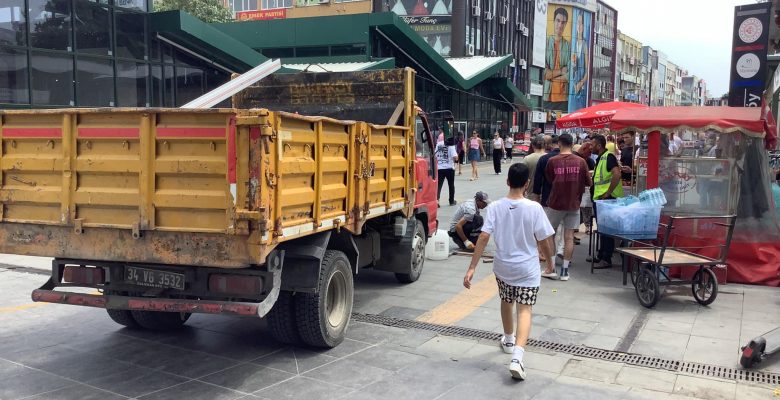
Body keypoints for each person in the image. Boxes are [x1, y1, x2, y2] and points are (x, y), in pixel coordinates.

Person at [463, 163, 555, 381]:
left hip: (503, 267)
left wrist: (472, 267)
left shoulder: (495, 207)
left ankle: (508, 339)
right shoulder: (534, 208)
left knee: (506, 301)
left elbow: (484, 237)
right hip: (527, 268)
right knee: (525, 310)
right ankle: (517, 357)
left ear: (507, 182)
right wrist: (550, 261)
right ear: (527, 184)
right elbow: (543, 240)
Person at [543, 134, 591, 281]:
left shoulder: (552, 161)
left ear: (559, 143)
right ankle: (564, 271)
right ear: (572, 144)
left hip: (556, 203)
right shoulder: (581, 162)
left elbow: (550, 179)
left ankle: (551, 268)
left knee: (550, 234)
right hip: (574, 204)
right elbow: (588, 182)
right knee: (569, 237)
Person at [588, 135, 624, 268]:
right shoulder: (601, 158)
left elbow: (617, 174)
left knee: (606, 229)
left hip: (607, 199)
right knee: (602, 228)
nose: (590, 147)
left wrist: (608, 192)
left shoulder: (608, 156)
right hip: (601, 199)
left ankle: (606, 258)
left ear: (599, 145)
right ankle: (602, 254)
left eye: (592, 145)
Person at [544, 7, 571, 111]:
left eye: (563, 22)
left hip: (563, 99)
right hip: (546, 97)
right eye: (558, 21)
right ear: (553, 21)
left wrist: (552, 76)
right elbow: (545, 74)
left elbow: (570, 75)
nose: (560, 25)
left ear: (566, 24)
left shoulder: (568, 47)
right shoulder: (545, 43)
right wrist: (560, 71)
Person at [569, 10, 590, 111]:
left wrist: (580, 84)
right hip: (573, 86)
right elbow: (571, 67)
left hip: (581, 88)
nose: (579, 25)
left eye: (581, 23)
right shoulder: (573, 42)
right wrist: (574, 84)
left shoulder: (585, 45)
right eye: (578, 22)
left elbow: (587, 71)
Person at [575, 141, 596, 234]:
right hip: (577, 187)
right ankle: (576, 226)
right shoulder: (577, 159)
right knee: (579, 208)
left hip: (585, 187)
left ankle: (587, 226)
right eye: (589, 151)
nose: (590, 154)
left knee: (585, 207)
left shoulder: (589, 160)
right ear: (583, 150)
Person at [436, 136, 458, 207]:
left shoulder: (438, 144)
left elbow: (435, 155)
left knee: (439, 185)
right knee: (451, 185)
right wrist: (456, 162)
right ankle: (451, 201)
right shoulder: (451, 145)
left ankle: (437, 201)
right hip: (449, 168)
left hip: (439, 168)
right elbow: (455, 157)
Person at [522, 135, 546, 200]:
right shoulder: (550, 158)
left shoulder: (528, 158)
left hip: (531, 193)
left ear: (533, 145)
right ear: (545, 145)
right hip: (546, 193)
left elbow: (523, 177)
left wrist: (522, 193)